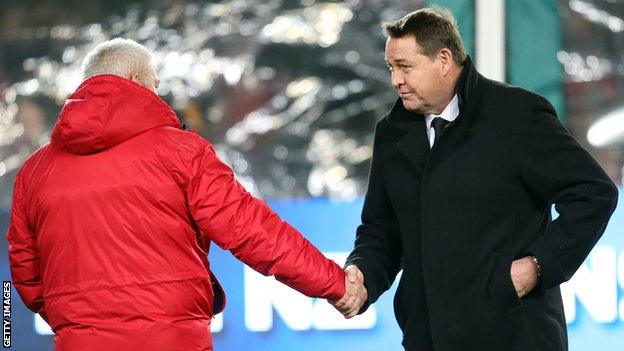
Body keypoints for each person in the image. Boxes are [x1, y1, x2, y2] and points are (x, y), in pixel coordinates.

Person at [6, 38, 366, 351]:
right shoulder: (180, 152)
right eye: (155, 84)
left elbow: (25, 270)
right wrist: (333, 283)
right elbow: (251, 229)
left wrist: (76, 317)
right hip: (173, 338)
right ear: (136, 81)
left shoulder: (35, 172)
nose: (157, 93)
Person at [334, 7, 619, 351]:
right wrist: (363, 273)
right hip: (429, 339)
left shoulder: (516, 115)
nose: (396, 80)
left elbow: (593, 193)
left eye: (406, 67)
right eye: (392, 68)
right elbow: (382, 230)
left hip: (515, 335)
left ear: (444, 59)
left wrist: (535, 267)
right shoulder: (391, 133)